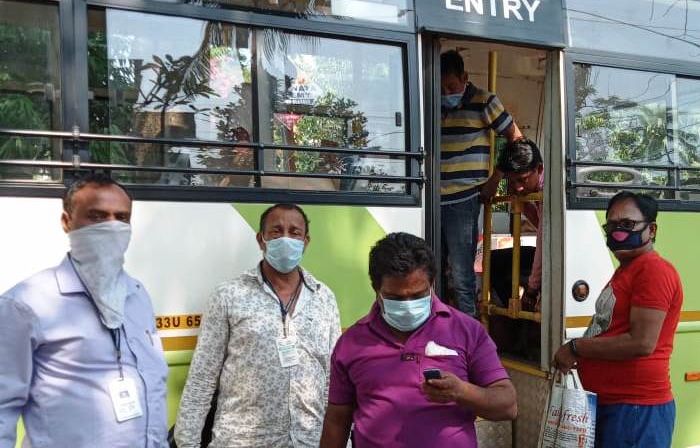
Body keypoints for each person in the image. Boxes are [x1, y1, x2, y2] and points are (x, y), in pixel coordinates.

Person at [0, 173, 169, 447]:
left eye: (122, 218)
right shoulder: (26, 304)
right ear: (67, 222)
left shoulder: (137, 295)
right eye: (97, 217)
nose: (112, 227)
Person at [320, 232, 517, 448]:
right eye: (396, 298)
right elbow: (337, 421)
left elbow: (507, 405)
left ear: (432, 283)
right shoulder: (351, 343)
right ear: (377, 290)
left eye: (418, 295)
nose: (408, 305)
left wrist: (461, 392)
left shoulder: (467, 331)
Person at [174, 203, 341, 448]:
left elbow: (334, 379)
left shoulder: (323, 296)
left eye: (294, 232)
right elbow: (203, 377)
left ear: (306, 241)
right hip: (242, 440)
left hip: (309, 440)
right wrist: (187, 443)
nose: (286, 238)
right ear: (261, 239)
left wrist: (341, 439)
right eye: (276, 231)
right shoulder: (229, 295)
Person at [552, 191, 683, 448]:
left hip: (635, 410)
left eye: (627, 224)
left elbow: (641, 343)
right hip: (615, 407)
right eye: (610, 225)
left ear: (651, 229)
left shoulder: (653, 271)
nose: (617, 231)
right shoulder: (628, 270)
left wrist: (577, 348)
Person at [439, 49, 523, 317]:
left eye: (451, 85)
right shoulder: (432, 101)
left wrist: (495, 179)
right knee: (433, 271)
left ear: (465, 77)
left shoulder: (485, 101)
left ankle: (469, 340)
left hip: (463, 198)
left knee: (463, 275)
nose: (445, 92)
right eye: (441, 87)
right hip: (431, 199)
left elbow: (516, 139)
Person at [497, 138, 544, 311]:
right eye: (512, 182)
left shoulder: (547, 190)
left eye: (522, 180)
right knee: (496, 260)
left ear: (538, 169)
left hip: (552, 256)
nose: (517, 187)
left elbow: (543, 242)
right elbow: (541, 224)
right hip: (547, 252)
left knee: (498, 264)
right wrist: (522, 204)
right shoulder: (535, 190)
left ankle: (521, 313)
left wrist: (531, 289)